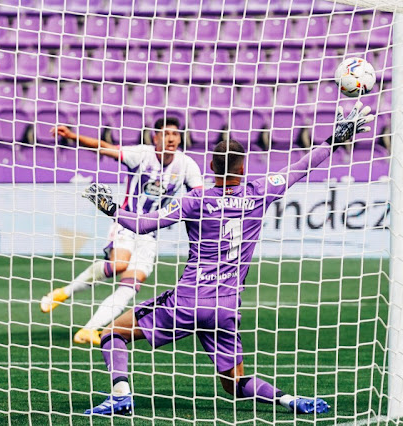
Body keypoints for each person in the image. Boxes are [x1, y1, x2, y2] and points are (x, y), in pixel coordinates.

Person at [82, 102, 374, 415]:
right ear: (243, 168)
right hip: (225, 306)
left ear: (210, 167)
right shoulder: (260, 191)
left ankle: (121, 395)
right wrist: (334, 141)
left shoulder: (196, 200)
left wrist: (110, 209)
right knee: (233, 382)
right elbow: (300, 168)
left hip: (188, 299)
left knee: (112, 333)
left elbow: (144, 223)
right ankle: (292, 401)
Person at [40, 117, 203, 346]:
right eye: (166, 134)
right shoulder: (142, 155)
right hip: (126, 223)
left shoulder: (187, 165)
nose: (172, 138)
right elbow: (106, 148)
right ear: (155, 137)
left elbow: (200, 194)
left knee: (129, 287)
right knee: (119, 265)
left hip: (151, 234)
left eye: (175, 134)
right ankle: (63, 292)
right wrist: (73, 136)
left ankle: (89, 330)